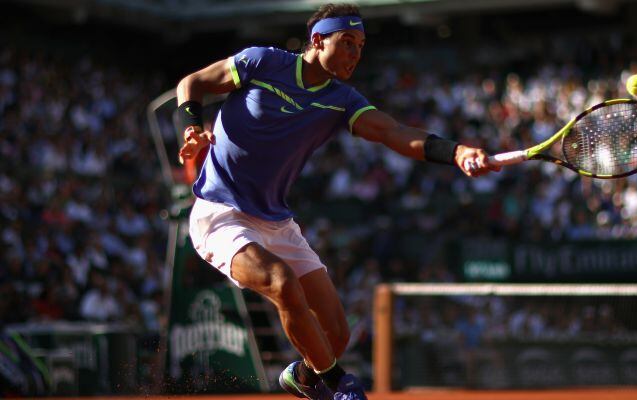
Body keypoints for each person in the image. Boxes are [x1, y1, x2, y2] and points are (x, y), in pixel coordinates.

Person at [175, 3, 498, 399]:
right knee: (281, 282)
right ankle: (337, 383)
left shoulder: (341, 99)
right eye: (347, 43)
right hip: (219, 212)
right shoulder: (262, 62)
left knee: (337, 335)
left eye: (360, 46)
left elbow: (393, 132)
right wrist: (191, 125)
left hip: (276, 221)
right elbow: (192, 83)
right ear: (317, 41)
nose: (354, 55)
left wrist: (457, 151)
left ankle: (304, 377)